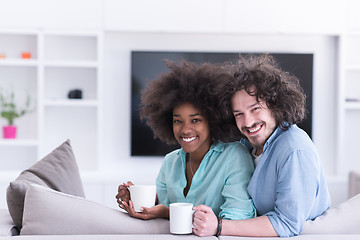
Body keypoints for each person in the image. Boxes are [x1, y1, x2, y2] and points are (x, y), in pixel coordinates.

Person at [193, 54, 331, 237]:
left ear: (275, 105)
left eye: (255, 109)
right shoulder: (248, 145)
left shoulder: (294, 150)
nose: (248, 122)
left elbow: (287, 224)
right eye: (238, 114)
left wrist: (219, 226)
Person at [115, 60, 256, 224]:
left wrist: (168, 213)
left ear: (212, 120)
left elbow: (237, 217)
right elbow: (161, 208)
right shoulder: (170, 162)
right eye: (177, 121)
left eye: (195, 120)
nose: (185, 130)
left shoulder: (234, 157)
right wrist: (136, 200)